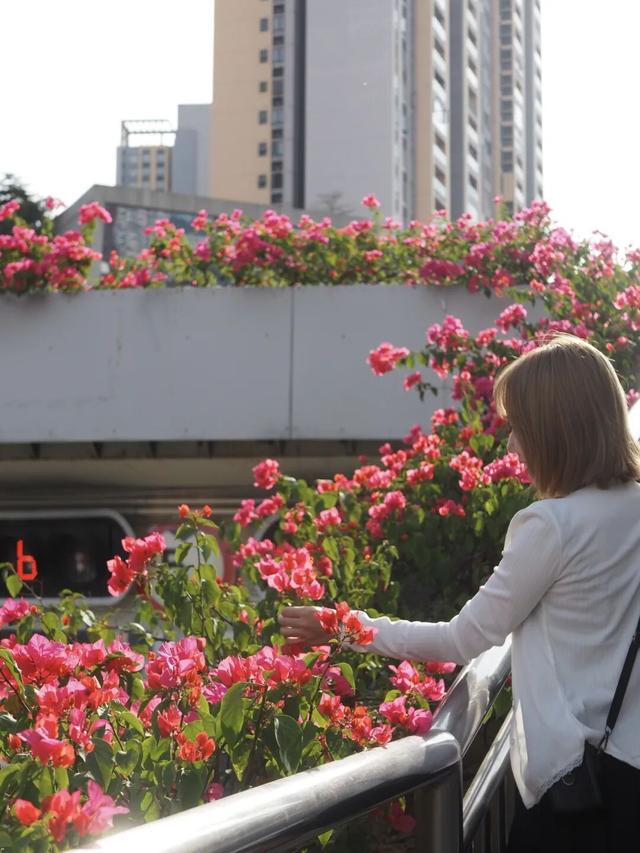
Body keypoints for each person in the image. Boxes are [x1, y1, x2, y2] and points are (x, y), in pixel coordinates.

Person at [279, 335, 640, 852]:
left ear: (556, 431)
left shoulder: (552, 525)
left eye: (519, 428)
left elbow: (463, 639)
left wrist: (346, 628)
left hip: (577, 790)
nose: (512, 447)